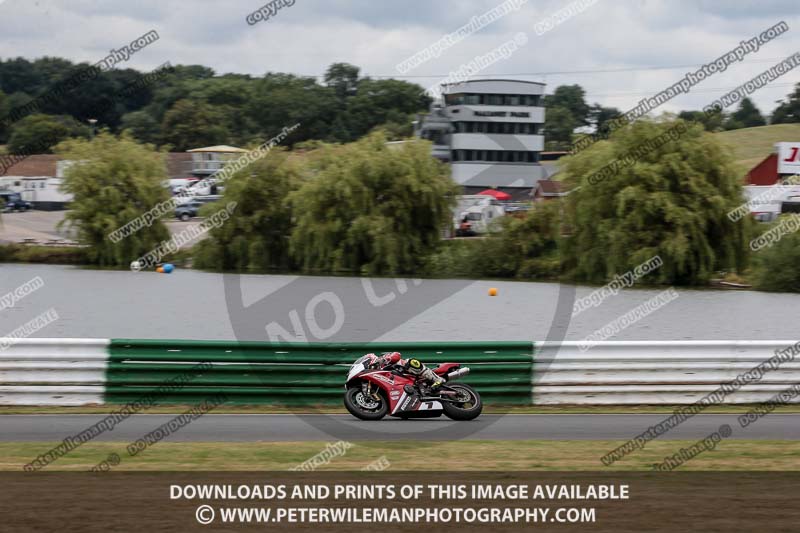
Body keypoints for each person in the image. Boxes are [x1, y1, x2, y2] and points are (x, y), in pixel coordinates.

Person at [370, 352, 444, 392]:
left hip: (411, 372)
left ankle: (437, 379)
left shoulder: (387, 358)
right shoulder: (382, 370)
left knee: (411, 362)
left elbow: (397, 354)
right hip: (407, 381)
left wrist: (387, 358)